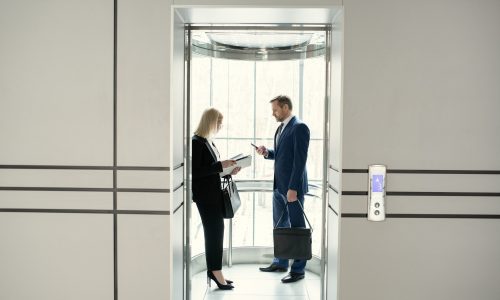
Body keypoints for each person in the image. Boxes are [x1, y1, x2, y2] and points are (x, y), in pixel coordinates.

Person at [255, 95, 310, 283]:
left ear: (285, 107)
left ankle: (298, 270)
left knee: (297, 228)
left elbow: (299, 161)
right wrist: (267, 152)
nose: (273, 113)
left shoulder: (300, 127)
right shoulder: (281, 128)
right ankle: (281, 261)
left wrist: (293, 188)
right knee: (280, 226)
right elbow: (282, 156)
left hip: (292, 190)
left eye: (275, 110)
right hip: (279, 187)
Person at [191, 108, 241, 290]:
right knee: (213, 233)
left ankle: (215, 271)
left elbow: (211, 171)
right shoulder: (196, 142)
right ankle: (215, 272)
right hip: (205, 198)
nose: (220, 126)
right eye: (218, 123)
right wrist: (220, 165)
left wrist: (228, 170)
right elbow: (195, 172)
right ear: (210, 122)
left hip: (213, 195)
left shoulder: (207, 142)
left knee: (216, 232)